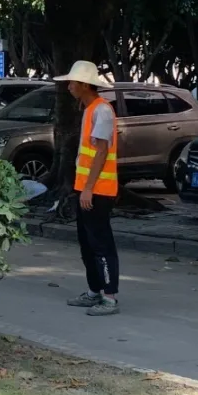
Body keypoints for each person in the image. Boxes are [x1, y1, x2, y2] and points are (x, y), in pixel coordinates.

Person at [55, 61, 119, 316]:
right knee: (87, 242)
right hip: (88, 188)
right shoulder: (90, 109)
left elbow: (101, 152)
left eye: (72, 82)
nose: (69, 87)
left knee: (101, 244)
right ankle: (94, 291)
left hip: (98, 190)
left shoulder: (101, 111)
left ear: (84, 85)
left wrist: (89, 189)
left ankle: (110, 297)